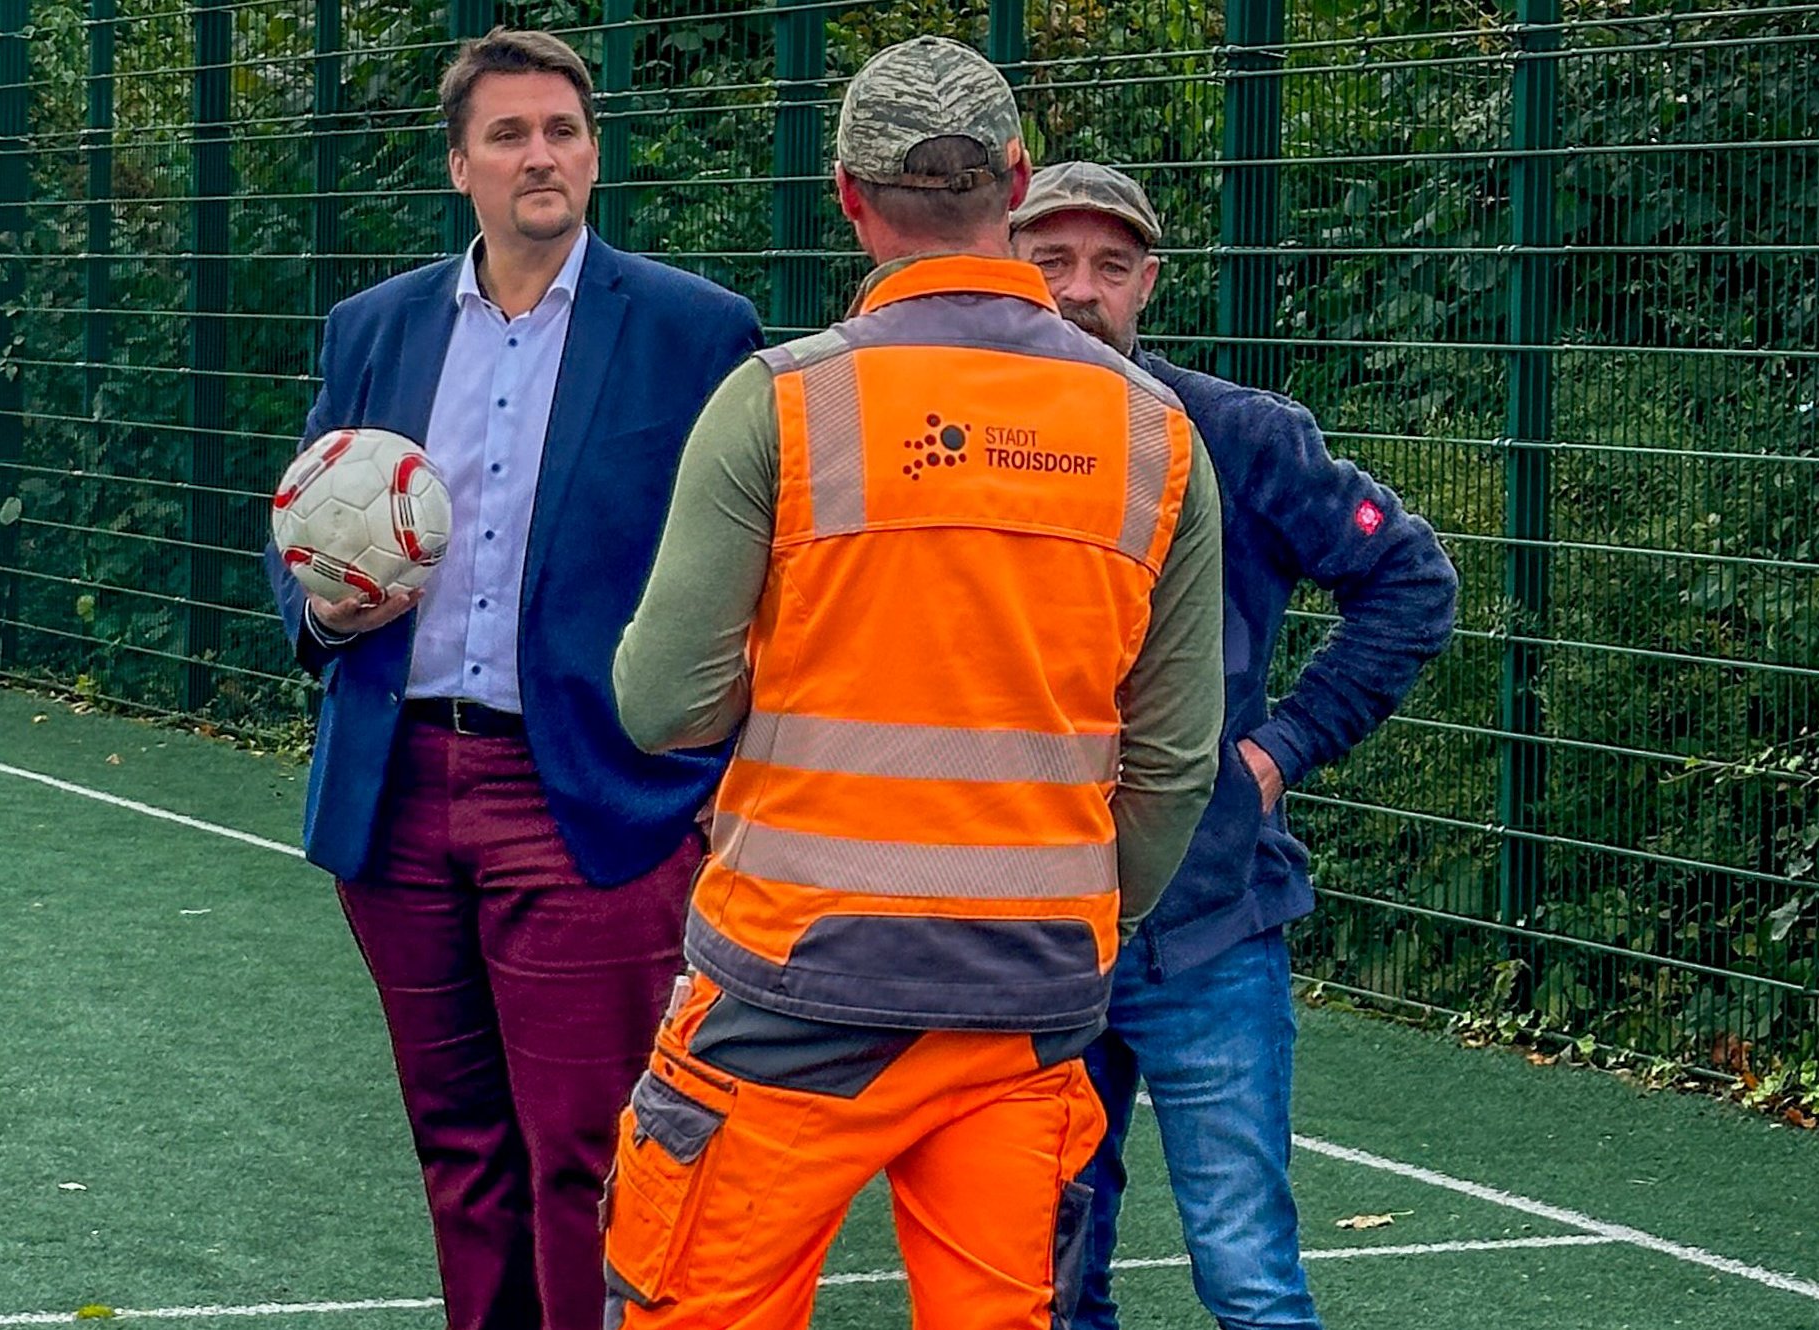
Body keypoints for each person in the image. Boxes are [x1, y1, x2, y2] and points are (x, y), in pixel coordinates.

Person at [605, 37, 1227, 1330]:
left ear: (847, 195)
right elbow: (1172, 764)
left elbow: (659, 703)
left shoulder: (776, 404)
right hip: (1026, 1001)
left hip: (789, 988)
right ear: (1015, 180)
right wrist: (1074, 916)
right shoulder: (1156, 438)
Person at [264, 27, 762, 1330]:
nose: (538, 155)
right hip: (399, 789)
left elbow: (751, 573)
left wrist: (711, 774)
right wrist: (318, 610)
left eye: (560, 131)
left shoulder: (693, 332)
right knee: (460, 1145)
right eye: (507, 134)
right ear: (459, 164)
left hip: (587, 792)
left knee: (584, 1150)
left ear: (591, 153)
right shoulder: (374, 327)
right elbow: (303, 515)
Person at [1011, 161, 1458, 1330]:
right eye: (1049, 259)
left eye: (1109, 266)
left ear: (1147, 284)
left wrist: (1283, 746)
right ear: (1004, 266)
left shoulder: (1237, 434)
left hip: (1209, 930)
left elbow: (1409, 578)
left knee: (1246, 1274)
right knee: (1047, 1282)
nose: (1078, 289)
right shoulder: (963, 443)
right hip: (1026, 935)